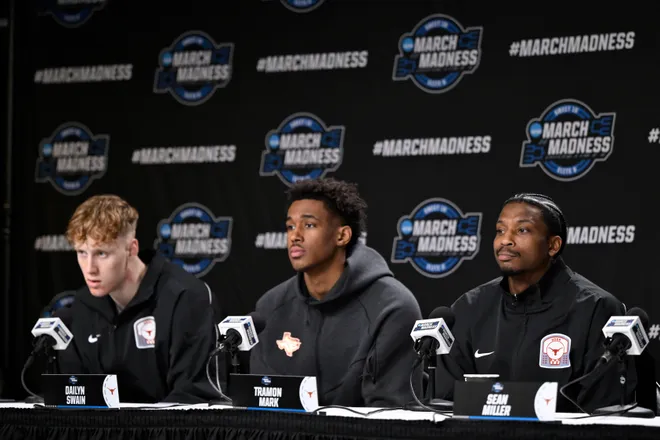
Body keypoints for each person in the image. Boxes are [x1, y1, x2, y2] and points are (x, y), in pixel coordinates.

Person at [435, 193, 636, 413]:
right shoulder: (469, 307)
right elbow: (447, 401)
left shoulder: (596, 308)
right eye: (500, 230)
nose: (505, 240)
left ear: (553, 245)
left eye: (522, 230)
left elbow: (603, 410)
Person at [250, 178, 423, 407]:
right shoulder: (270, 307)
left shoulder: (393, 307)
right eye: (290, 226)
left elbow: (389, 415)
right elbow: (261, 401)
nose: (295, 236)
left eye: (309, 225)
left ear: (342, 236)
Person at [58, 194, 218, 403]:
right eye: (82, 253)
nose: (90, 268)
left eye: (102, 254)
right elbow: (75, 395)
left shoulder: (184, 297)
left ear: (132, 248)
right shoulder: (83, 304)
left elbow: (193, 396)